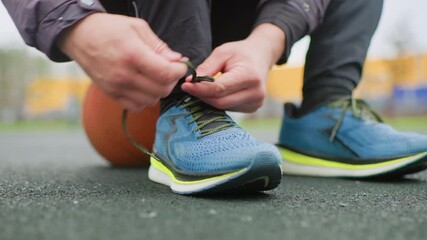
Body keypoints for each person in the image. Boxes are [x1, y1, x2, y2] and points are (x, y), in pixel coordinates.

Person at [2, 0, 427, 195]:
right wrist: (74, 25)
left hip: (235, 35)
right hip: (141, 45)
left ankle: (323, 115)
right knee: (112, 127)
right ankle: (182, 109)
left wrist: (268, 40)